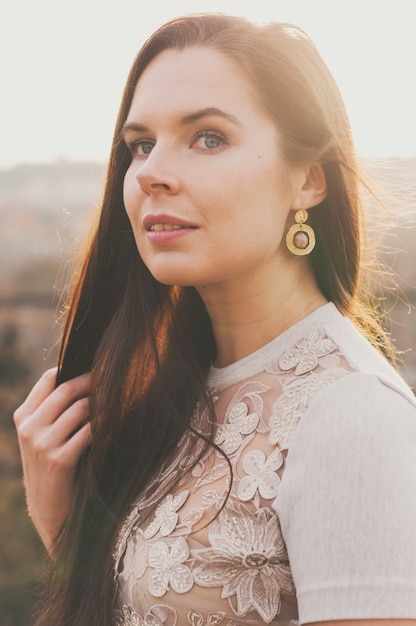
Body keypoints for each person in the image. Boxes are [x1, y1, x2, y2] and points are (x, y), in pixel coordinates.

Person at [13, 13, 416, 626]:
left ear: (308, 179)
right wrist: (68, 531)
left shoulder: (349, 415)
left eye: (208, 138)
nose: (149, 172)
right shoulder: (175, 389)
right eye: (141, 145)